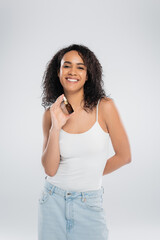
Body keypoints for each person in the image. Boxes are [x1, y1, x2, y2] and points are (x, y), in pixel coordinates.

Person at [38, 44, 132, 240]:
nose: (73, 72)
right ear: (58, 72)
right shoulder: (50, 114)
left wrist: (89, 171)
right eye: (67, 66)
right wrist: (56, 127)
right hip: (52, 201)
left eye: (80, 67)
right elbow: (49, 169)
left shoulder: (104, 107)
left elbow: (124, 156)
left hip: (88, 202)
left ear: (88, 75)